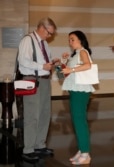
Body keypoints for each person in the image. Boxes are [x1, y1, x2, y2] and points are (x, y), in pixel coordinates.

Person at [17, 17, 58, 162]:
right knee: (32, 116)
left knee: (45, 114)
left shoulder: (44, 43)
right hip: (32, 80)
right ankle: (28, 149)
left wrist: (52, 63)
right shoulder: (27, 40)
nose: (50, 36)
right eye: (49, 33)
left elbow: (44, 62)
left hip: (45, 81)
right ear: (42, 28)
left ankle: (39, 145)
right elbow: (23, 61)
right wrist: (42, 67)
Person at [61, 30, 94, 165]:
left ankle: (86, 154)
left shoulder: (83, 52)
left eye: (72, 39)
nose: (70, 42)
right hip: (75, 90)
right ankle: (82, 150)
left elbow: (88, 65)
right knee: (77, 120)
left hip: (81, 91)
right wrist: (64, 62)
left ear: (81, 40)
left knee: (80, 121)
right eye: (69, 40)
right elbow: (65, 74)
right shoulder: (75, 54)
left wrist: (71, 69)